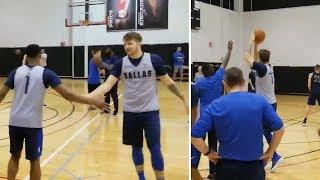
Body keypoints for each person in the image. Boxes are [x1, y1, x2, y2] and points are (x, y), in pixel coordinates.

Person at [88, 32, 188, 180]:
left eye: (130, 43)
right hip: (130, 113)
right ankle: (141, 177)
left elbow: (169, 82)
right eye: (125, 44)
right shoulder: (120, 63)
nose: (126, 46)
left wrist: (183, 98)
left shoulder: (153, 59)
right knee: (136, 148)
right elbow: (108, 84)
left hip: (150, 112)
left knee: (155, 149)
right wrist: (89, 97)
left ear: (139, 43)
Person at [0, 44, 108, 180]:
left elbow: (1, 94)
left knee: (14, 157)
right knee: (34, 161)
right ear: (40, 56)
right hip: (33, 125)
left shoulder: (15, 72)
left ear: (26, 56)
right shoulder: (46, 73)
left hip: (14, 122)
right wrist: (92, 101)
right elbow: (68, 95)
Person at [192, 67, 285, 180]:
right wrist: (270, 153)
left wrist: (208, 153)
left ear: (224, 83)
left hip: (226, 168)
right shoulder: (260, 101)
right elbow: (280, 129)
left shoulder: (215, 105)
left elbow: (194, 136)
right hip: (254, 168)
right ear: (243, 82)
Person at [193, 41, 233, 179]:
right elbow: (225, 63)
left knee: (198, 142)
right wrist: (229, 50)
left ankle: (193, 167)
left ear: (203, 73)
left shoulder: (199, 82)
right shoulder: (218, 77)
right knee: (214, 145)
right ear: (213, 71)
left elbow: (195, 94)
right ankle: (214, 173)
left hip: (205, 117)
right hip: (218, 116)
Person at [245, 33, 282, 171]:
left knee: (261, 130)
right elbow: (255, 59)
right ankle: (269, 157)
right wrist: (256, 44)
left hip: (264, 104)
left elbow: (246, 56)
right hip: (271, 102)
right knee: (263, 130)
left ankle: (273, 156)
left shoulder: (261, 68)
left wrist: (250, 41)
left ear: (260, 59)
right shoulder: (269, 66)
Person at [102, 48, 119, 115]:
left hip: (113, 79)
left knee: (114, 95)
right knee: (106, 95)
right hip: (106, 79)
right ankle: (107, 110)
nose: (107, 52)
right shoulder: (106, 59)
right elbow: (105, 68)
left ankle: (116, 111)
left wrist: (101, 62)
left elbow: (110, 67)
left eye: (108, 51)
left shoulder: (115, 59)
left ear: (112, 52)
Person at [190, 83, 202, 180]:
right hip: (195, 126)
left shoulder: (193, 87)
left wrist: (192, 128)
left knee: (192, 165)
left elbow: (193, 109)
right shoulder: (193, 86)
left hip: (195, 128)